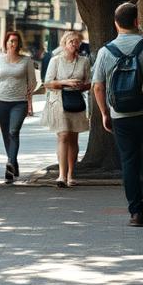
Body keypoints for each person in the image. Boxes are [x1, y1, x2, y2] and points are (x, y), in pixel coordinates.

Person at [92, 1, 143, 227]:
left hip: (121, 117)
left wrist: (104, 113)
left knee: (129, 162)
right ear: (137, 22)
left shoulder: (105, 52)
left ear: (116, 24)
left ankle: (136, 214)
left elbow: (98, 86)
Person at [41, 30, 91, 187]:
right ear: (64, 44)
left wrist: (80, 86)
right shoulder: (55, 61)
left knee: (73, 138)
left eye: (77, 42)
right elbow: (48, 83)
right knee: (63, 136)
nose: (74, 44)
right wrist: (66, 83)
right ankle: (61, 175)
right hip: (59, 101)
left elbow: (90, 82)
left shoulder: (84, 61)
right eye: (71, 41)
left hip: (76, 101)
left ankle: (71, 174)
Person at [0, 31, 38, 183]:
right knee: (6, 134)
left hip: (19, 102)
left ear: (18, 44)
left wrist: (29, 102)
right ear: (6, 43)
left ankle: (9, 164)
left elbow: (32, 83)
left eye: (15, 41)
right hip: (1, 101)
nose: (12, 43)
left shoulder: (26, 61)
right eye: (10, 41)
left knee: (13, 131)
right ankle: (13, 163)